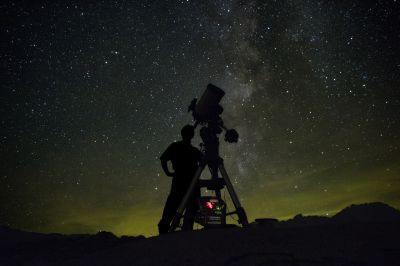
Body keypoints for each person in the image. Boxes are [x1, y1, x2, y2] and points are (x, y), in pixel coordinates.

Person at [158, 125, 202, 234]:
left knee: (172, 205)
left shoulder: (175, 146)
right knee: (190, 206)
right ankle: (186, 229)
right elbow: (204, 162)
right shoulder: (194, 151)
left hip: (180, 180)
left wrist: (168, 172)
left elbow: (163, 159)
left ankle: (164, 230)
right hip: (191, 182)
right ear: (192, 135)